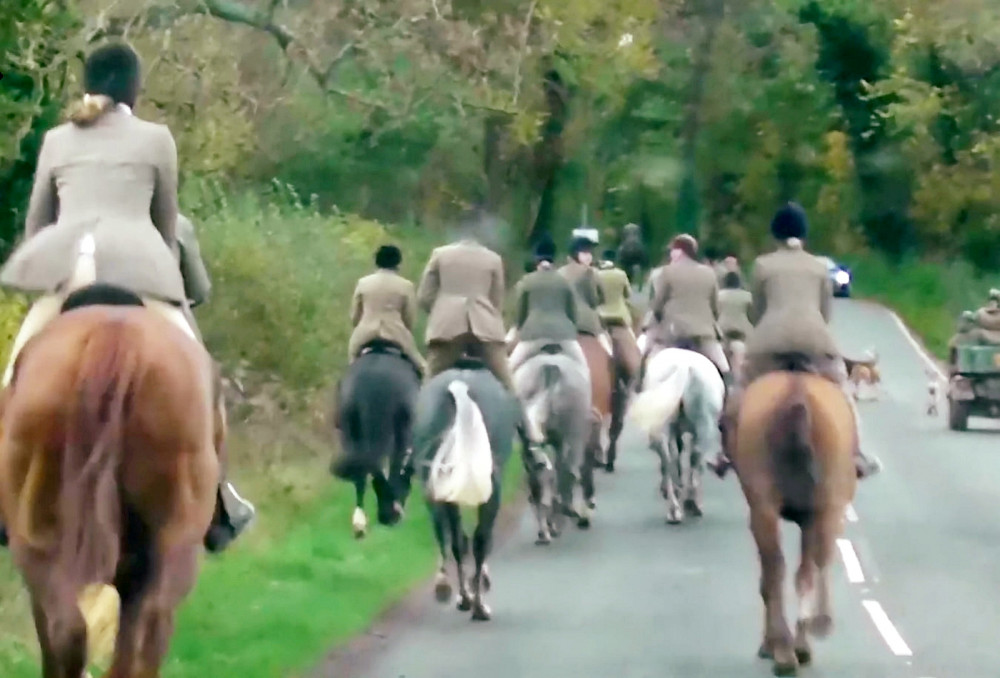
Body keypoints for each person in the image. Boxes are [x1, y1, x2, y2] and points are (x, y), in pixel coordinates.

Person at [0, 42, 254, 553]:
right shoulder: (157, 139)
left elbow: (35, 224)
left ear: (86, 84)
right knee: (203, 378)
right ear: (135, 87)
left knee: (11, 377)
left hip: (68, 272)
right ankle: (219, 501)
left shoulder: (54, 138)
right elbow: (165, 223)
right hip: (144, 270)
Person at [706, 202, 882, 480]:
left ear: (775, 235)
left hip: (770, 344)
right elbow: (825, 313)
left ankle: (725, 452)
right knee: (843, 392)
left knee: (739, 388)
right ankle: (856, 453)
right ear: (804, 235)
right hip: (814, 343)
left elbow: (756, 311)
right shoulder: (819, 267)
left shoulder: (763, 265)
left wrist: (767, 326)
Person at [416, 217, 550, 470]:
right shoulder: (492, 259)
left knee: (428, 383)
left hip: (447, 331)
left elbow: (424, 295)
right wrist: (485, 316)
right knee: (509, 383)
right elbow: (496, 300)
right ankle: (531, 441)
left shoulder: (440, 255)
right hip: (484, 330)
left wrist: (443, 311)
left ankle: (411, 447)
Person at [647, 234, 731, 386]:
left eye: (673, 250)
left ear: (680, 251)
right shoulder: (709, 273)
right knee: (724, 368)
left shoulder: (667, 271)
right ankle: (729, 399)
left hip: (672, 334)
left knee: (646, 360)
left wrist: (658, 322)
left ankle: (638, 390)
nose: (671, 254)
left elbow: (657, 305)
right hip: (703, 336)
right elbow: (716, 309)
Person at [508, 237, 588, 375]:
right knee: (584, 370)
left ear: (536, 260)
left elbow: (520, 317)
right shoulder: (564, 281)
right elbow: (573, 315)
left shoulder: (526, 281)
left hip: (533, 336)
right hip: (564, 336)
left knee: (509, 372)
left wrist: (519, 327)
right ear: (554, 260)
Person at [347, 244, 426, 376]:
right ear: (398, 262)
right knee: (423, 369)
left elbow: (354, 317)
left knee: (351, 364)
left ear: (376, 261)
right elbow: (409, 319)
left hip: (364, 333)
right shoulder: (406, 285)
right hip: (396, 334)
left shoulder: (363, 283)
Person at [559, 236, 613, 356]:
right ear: (575, 254)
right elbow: (595, 300)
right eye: (584, 253)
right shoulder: (590, 272)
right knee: (609, 353)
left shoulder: (559, 273)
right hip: (587, 324)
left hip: (561, 323)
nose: (589, 256)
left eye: (589, 253)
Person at [596, 249, 641, 386]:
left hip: (600, 319)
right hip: (620, 319)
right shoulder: (621, 274)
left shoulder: (594, 275)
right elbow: (628, 294)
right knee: (635, 347)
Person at [716, 271, 753, 341]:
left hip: (722, 326)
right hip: (743, 326)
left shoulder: (719, 295)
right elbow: (752, 314)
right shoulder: (747, 296)